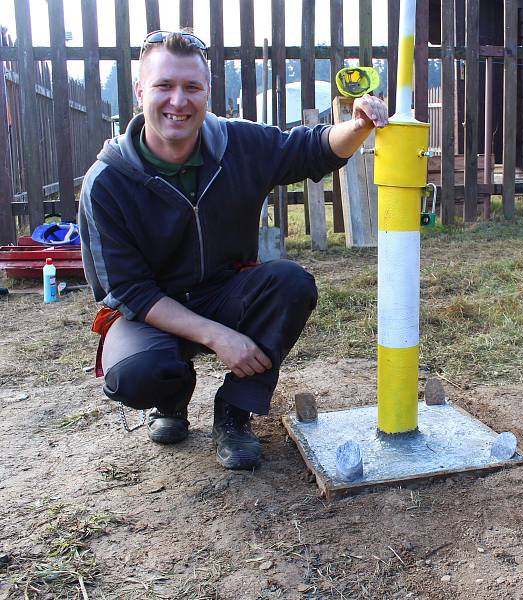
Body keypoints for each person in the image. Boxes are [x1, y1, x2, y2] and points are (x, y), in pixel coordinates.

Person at [78, 30, 388, 470]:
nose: (178, 101)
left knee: (289, 284)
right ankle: (170, 398)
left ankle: (234, 412)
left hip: (224, 291)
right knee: (136, 373)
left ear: (207, 91)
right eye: (165, 86)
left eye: (192, 87)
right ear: (141, 91)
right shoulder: (107, 181)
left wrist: (357, 125)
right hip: (150, 313)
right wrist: (216, 336)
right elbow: (131, 292)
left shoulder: (237, 144)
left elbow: (311, 148)